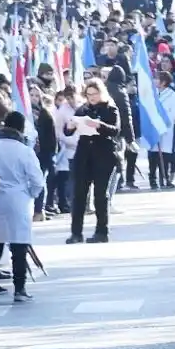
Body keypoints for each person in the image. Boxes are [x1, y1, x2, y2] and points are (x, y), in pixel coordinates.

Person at [0, 111, 45, 303]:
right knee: (19, 247)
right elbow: (37, 180)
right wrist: (30, 194)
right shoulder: (25, 151)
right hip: (19, 200)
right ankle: (20, 289)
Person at [65, 79, 120, 244]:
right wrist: (70, 126)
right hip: (84, 156)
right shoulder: (83, 109)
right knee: (79, 195)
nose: (92, 97)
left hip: (104, 155)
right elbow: (68, 131)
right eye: (89, 94)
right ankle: (76, 233)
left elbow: (115, 130)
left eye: (95, 94)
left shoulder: (110, 108)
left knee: (100, 195)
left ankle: (102, 231)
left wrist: (98, 125)